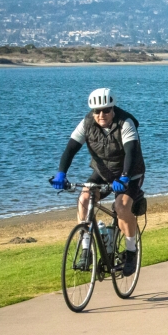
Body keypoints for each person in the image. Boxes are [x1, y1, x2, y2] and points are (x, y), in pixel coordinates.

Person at [51, 88, 145, 275]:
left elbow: (131, 152)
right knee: (84, 199)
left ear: (113, 108)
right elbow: (70, 149)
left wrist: (125, 176)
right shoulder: (87, 123)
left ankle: (131, 250)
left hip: (130, 174)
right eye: (97, 111)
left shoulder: (125, 123)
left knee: (121, 206)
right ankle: (86, 248)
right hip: (102, 172)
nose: (101, 115)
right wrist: (61, 173)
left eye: (106, 110)